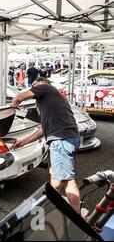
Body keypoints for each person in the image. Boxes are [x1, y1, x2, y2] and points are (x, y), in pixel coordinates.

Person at [11, 77, 81, 213]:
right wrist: (24, 141)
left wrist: (13, 107)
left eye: (34, 87)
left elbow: (19, 97)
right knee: (56, 175)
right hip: (67, 139)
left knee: (67, 179)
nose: (34, 90)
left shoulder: (44, 87)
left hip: (61, 140)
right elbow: (43, 130)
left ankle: (76, 215)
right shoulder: (52, 101)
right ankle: (46, 201)